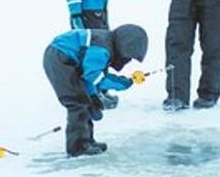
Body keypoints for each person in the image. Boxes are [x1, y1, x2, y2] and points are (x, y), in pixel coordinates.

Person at [42, 24, 148, 157]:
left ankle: (87, 141)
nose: (126, 61)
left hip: (66, 58)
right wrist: (118, 83)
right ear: (123, 46)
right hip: (60, 59)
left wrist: (92, 96)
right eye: (127, 57)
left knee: (86, 102)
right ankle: (77, 147)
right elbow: (92, 75)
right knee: (77, 104)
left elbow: (88, 76)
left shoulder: (106, 43)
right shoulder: (102, 49)